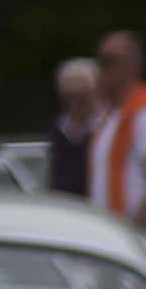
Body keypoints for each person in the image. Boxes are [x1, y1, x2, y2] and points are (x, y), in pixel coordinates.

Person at [86, 31, 146, 234]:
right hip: (110, 236)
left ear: (131, 67)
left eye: (107, 61)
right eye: (99, 61)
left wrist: (133, 233)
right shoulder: (110, 118)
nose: (100, 69)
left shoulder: (144, 116)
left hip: (138, 239)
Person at [43, 60, 99, 199]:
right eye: (69, 96)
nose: (74, 103)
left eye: (82, 97)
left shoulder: (105, 130)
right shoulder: (58, 130)